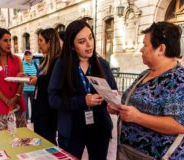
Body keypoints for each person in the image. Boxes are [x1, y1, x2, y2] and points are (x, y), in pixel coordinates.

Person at [108, 22, 184, 159]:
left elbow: (182, 125)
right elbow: (136, 106)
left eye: (145, 45)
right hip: (129, 152)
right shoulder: (145, 74)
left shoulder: (179, 80)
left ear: (161, 49)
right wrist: (119, 108)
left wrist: (138, 117)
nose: (141, 50)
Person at [48, 20, 117, 159]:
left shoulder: (102, 64)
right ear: (72, 46)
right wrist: (83, 101)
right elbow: (53, 100)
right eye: (81, 41)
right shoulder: (61, 65)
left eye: (90, 37)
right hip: (72, 129)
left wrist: (111, 102)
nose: (89, 44)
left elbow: (113, 91)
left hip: (99, 128)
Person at [0, 28, 27, 132]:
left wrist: (16, 97)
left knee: (20, 138)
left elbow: (22, 81)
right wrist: (7, 101)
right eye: (5, 40)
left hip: (17, 105)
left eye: (10, 40)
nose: (9, 44)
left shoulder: (17, 59)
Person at [27, 28, 61, 145]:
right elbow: (42, 79)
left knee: (48, 142)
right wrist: (29, 77)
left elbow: (52, 83)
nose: (39, 44)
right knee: (40, 141)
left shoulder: (57, 61)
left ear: (50, 42)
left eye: (41, 40)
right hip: (39, 108)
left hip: (48, 111)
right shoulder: (44, 59)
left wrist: (37, 80)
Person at [21, 50, 38, 121]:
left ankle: (33, 120)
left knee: (34, 106)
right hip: (24, 89)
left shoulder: (35, 64)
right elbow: (20, 75)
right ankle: (26, 120)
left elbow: (38, 75)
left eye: (29, 55)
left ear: (32, 56)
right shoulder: (21, 64)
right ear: (24, 56)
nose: (28, 57)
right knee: (25, 107)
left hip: (33, 89)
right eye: (26, 55)